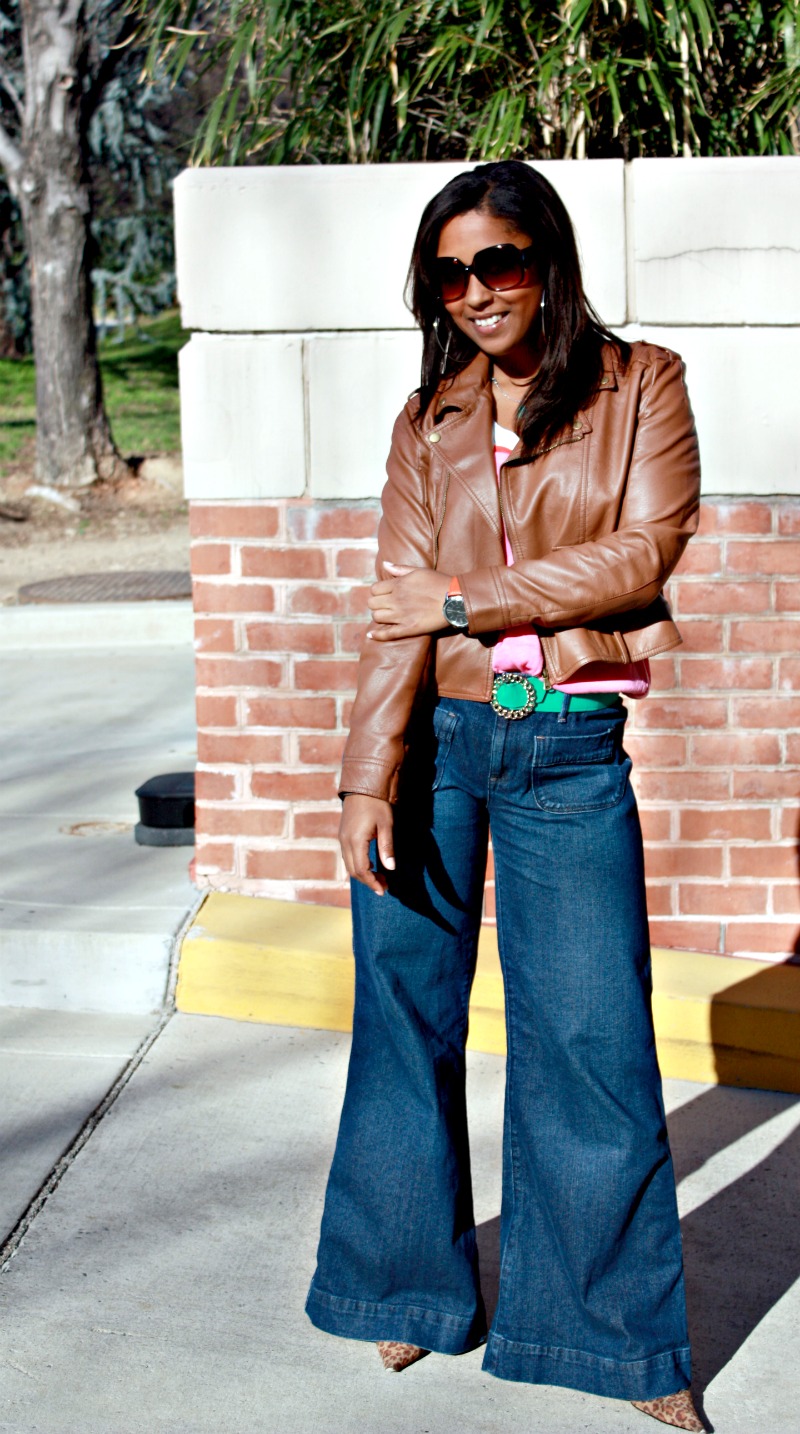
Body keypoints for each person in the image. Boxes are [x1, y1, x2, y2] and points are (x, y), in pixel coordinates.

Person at [306, 160, 703, 1431]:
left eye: (499, 261)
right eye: (450, 273)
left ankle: (610, 1340)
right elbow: (394, 616)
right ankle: (407, 1288)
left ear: (547, 262)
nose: (477, 291)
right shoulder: (428, 419)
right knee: (400, 1020)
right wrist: (365, 776)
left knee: (588, 1041)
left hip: (562, 746)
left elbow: (642, 552)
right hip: (433, 749)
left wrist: (465, 600)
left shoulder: (640, 385)